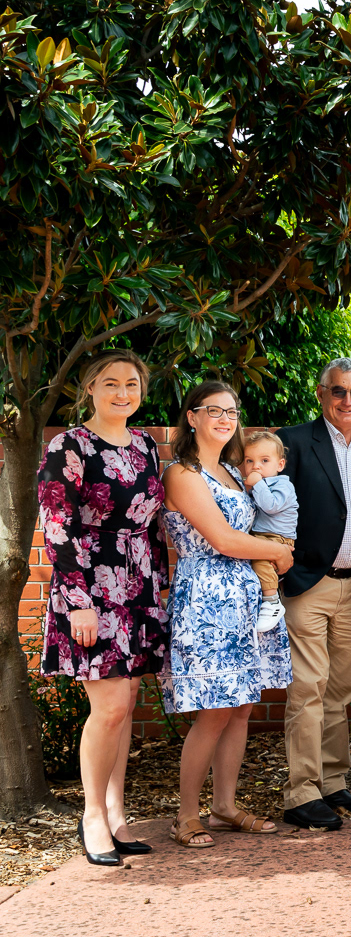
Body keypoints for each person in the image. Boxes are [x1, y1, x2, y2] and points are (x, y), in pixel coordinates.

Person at [36, 350, 170, 865]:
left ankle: (115, 812)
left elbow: (150, 524)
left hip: (138, 585)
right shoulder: (69, 445)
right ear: (90, 388)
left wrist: (156, 588)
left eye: (131, 383)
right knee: (109, 706)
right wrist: (79, 603)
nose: (122, 392)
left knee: (127, 702)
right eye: (110, 383)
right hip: (91, 586)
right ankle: (91, 816)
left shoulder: (145, 445)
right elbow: (57, 526)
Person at [161, 382, 295, 848]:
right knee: (215, 711)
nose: (224, 419)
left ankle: (224, 807)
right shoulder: (183, 473)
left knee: (241, 708)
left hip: (245, 598)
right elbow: (221, 539)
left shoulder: (234, 473)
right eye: (213, 410)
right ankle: (185, 815)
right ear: (192, 416)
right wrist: (277, 553)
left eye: (232, 412)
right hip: (207, 599)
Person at [277, 358, 351, 831]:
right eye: (338, 391)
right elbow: (269, 507)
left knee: (342, 688)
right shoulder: (292, 442)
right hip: (309, 583)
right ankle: (301, 792)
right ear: (321, 393)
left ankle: (332, 780)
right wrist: (281, 564)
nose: (348, 400)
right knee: (308, 687)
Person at [241, 431, 298, 633]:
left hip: (277, 538)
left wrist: (257, 484)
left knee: (261, 562)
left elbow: (271, 506)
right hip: (262, 536)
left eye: (264, 460)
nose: (256, 466)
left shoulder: (283, 485)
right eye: (249, 460)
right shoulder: (258, 484)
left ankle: (272, 602)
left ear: (280, 465)